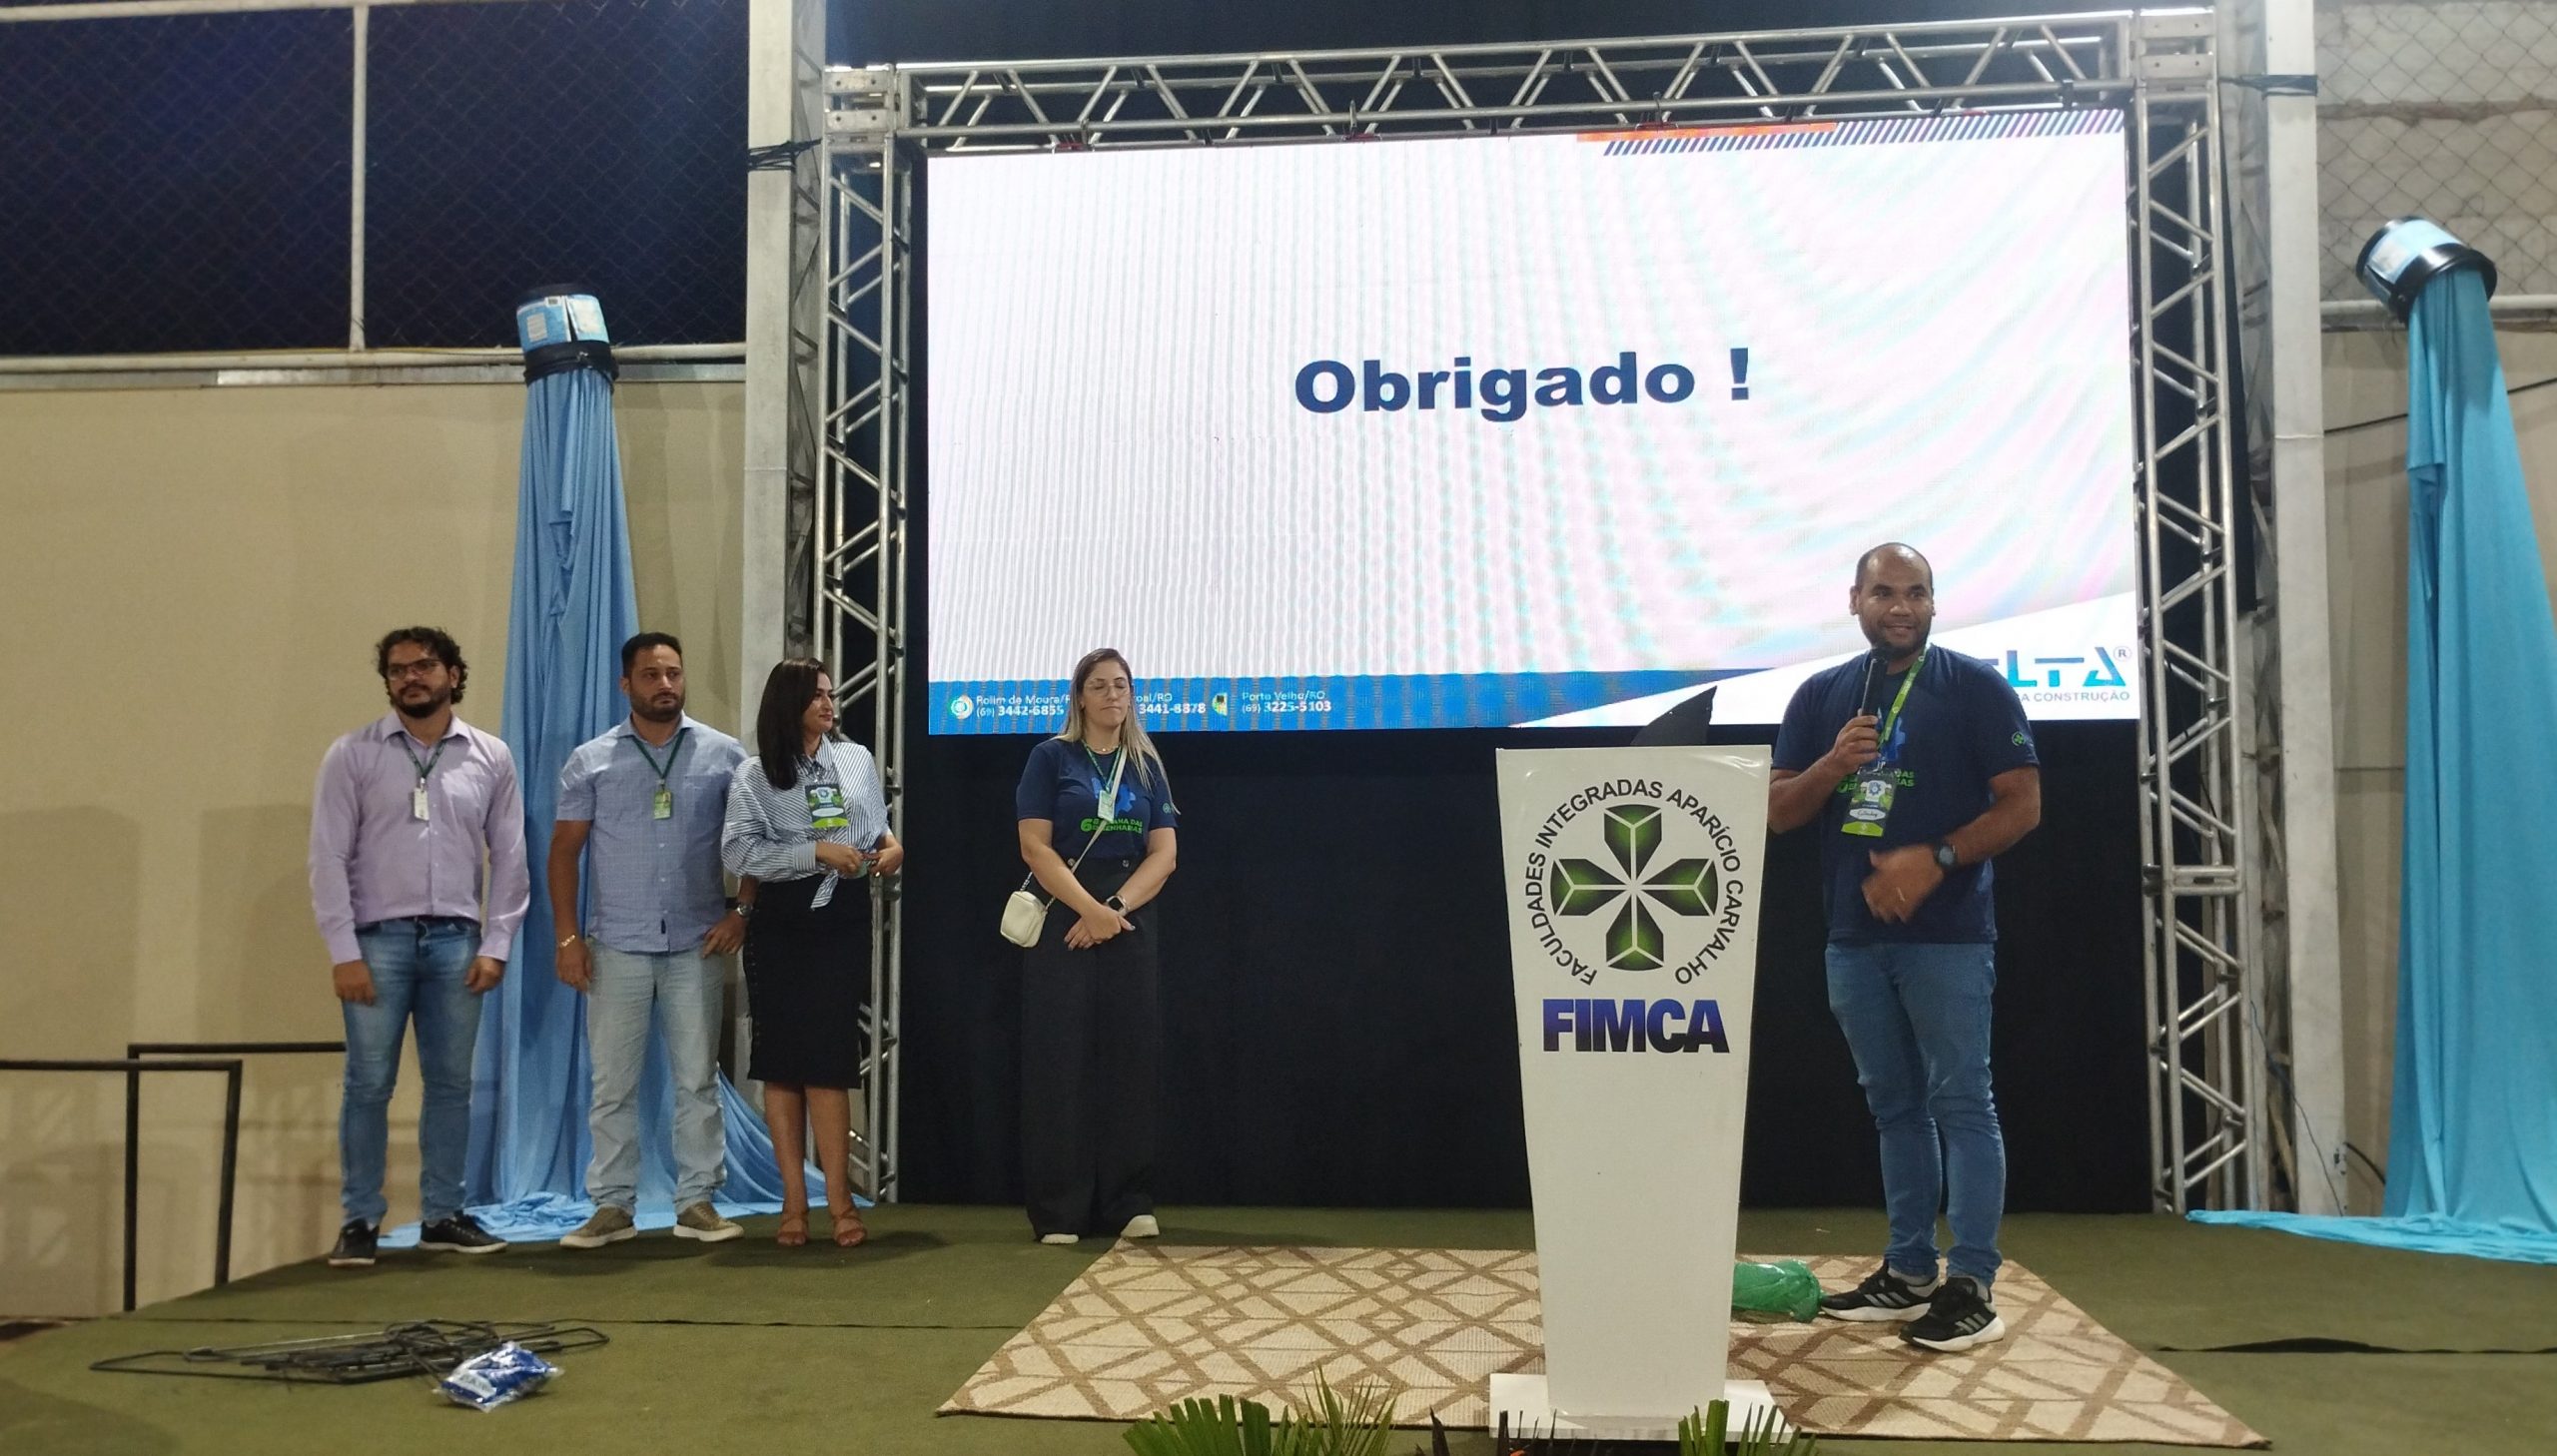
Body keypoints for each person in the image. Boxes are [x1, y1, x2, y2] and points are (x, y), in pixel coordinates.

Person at [1768, 543, 2042, 1353]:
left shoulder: (1975, 687)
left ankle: (1973, 1284)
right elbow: (1779, 811)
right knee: (1894, 1107)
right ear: (1854, 599)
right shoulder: (1822, 695)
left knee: (1962, 1103)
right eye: (1885, 592)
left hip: (1947, 936)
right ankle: (1910, 1269)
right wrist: (1833, 763)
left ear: (1933, 602)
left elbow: (2023, 805)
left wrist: (1938, 858)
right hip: (1853, 939)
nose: (1901, 607)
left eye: (1916, 593)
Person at [309, 627, 528, 1267]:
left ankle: (442, 1215)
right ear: (387, 682)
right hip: (376, 942)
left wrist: (497, 942)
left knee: (452, 1086)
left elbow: (510, 856)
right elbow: (327, 857)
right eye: (398, 669)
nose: (411, 677)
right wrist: (343, 951)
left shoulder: (490, 755)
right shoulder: (352, 755)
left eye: (425, 666)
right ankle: (359, 1221)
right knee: (368, 1084)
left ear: (453, 675)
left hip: (458, 942)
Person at [550, 633, 752, 1248]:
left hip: (697, 944)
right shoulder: (591, 760)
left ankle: (697, 1202)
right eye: (650, 675)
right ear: (626, 684)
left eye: (673, 673)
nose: (665, 685)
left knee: (697, 1080)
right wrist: (567, 939)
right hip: (616, 946)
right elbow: (562, 854)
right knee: (613, 1085)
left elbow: (755, 839)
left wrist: (743, 911)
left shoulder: (725, 754)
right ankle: (612, 1206)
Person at [720, 658, 901, 1248]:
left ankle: (841, 1203)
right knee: (781, 1063)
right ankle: (793, 1203)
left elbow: (876, 827)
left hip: (842, 918)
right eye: (816, 695)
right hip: (782, 920)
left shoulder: (855, 758)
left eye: (830, 694)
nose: (829, 704)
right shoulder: (754, 774)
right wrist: (814, 852)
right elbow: (739, 854)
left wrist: (891, 846)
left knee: (828, 1060)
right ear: (787, 703)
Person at [1014, 648, 1181, 1245]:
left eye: (1122, 686)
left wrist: (1113, 910)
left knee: (1129, 1059)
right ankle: (1059, 1211)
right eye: (1100, 686)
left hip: (1128, 915)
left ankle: (1127, 1202)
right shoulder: (1050, 757)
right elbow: (1035, 846)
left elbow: (1165, 853)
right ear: (1080, 698)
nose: (1113, 695)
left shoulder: (1146, 764)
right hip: (1064, 912)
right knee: (1060, 1062)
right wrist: (1087, 908)